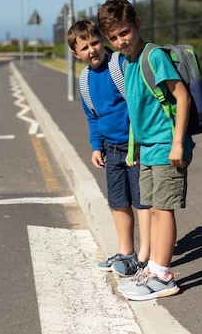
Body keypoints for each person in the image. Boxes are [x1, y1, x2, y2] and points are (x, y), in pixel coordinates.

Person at [97, 0, 194, 301]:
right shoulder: (126, 62)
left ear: (136, 25)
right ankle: (152, 270)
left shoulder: (153, 57)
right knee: (151, 208)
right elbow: (137, 110)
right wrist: (133, 148)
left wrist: (178, 142)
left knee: (163, 210)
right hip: (147, 149)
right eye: (112, 38)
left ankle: (163, 275)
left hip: (167, 146)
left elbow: (182, 97)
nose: (120, 41)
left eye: (124, 33)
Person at [67, 20, 150, 277]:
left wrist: (138, 144)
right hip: (111, 149)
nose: (92, 50)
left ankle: (146, 256)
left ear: (102, 41)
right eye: (84, 48)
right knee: (118, 202)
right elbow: (92, 117)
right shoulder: (84, 80)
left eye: (94, 43)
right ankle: (127, 252)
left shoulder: (118, 65)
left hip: (134, 146)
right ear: (75, 54)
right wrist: (95, 146)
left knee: (143, 201)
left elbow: (137, 103)